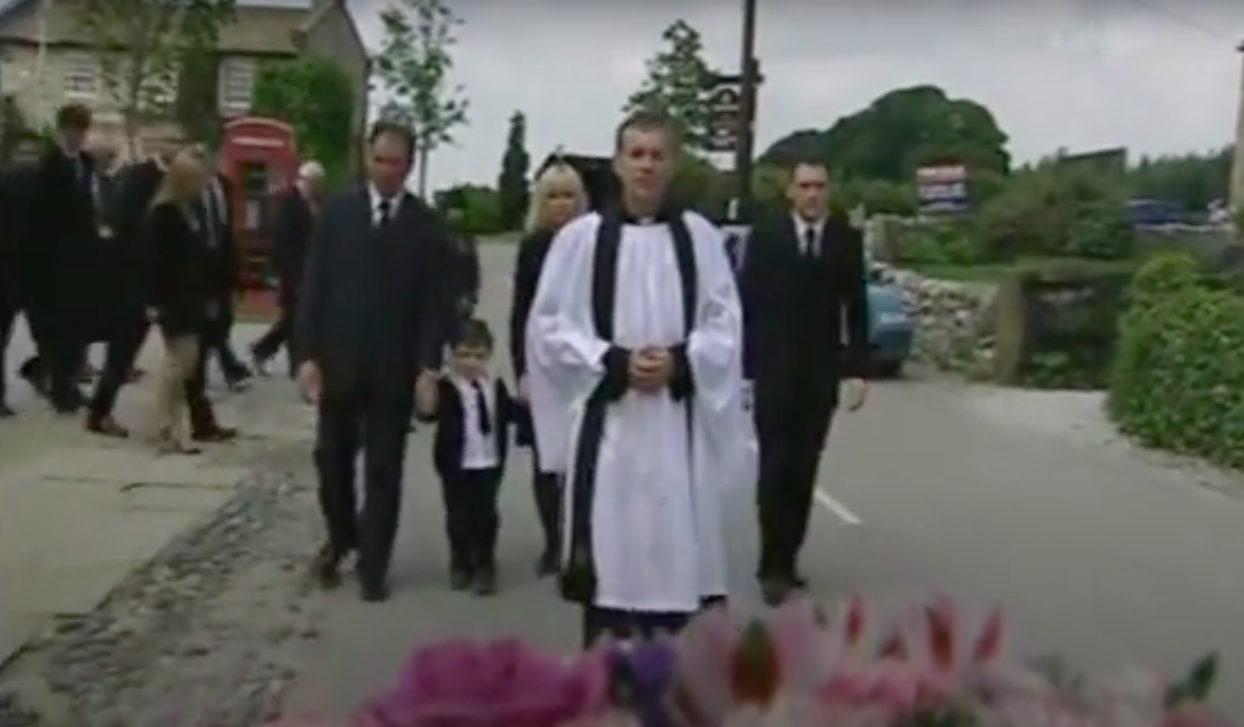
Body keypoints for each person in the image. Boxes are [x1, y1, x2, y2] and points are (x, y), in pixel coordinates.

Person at [525, 110, 750, 647]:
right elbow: (548, 325)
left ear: (672, 164)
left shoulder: (699, 239)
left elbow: (726, 322)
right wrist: (610, 361)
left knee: (676, 558)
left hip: (677, 429)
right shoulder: (580, 241)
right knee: (611, 559)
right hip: (612, 428)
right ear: (619, 163)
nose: (646, 165)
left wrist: (682, 359)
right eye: (636, 154)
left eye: (657, 154)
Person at [297, 120, 455, 602]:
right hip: (339, 362)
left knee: (384, 470)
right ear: (368, 159)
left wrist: (429, 367)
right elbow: (314, 287)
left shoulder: (424, 227)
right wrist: (306, 356)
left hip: (394, 368)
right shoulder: (338, 213)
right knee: (331, 461)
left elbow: (435, 303)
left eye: (397, 163)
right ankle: (342, 534)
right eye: (380, 160)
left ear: (410, 166)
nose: (388, 171)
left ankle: (373, 562)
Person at [739, 157, 870, 606]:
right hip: (774, 372)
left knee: (804, 470)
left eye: (820, 186)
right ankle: (770, 563)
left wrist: (855, 368)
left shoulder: (844, 240)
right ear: (791, 192)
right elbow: (746, 303)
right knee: (774, 468)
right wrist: (743, 370)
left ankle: (790, 558)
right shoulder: (767, 236)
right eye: (805, 186)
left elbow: (856, 305)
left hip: (819, 374)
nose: (813, 194)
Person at [508, 160, 587, 576]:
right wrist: (521, 368)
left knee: (582, 456)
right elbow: (521, 312)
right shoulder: (533, 247)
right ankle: (553, 541)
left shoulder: (592, 243)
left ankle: (581, 539)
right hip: (542, 365)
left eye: (568, 195)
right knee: (545, 458)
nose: (561, 204)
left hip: (583, 364)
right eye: (553, 196)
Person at [431, 318, 514, 596]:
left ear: (488, 355)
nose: (471, 363)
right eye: (464, 355)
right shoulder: (446, 389)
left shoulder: (494, 387)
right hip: (457, 462)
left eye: (478, 356)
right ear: (452, 354)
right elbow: (428, 414)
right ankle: (460, 561)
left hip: (489, 460)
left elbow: (509, 414)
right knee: (458, 515)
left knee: (486, 514)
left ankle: (485, 563)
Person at [26, 104, 98, 413]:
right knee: (59, 328)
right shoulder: (49, 164)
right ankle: (61, 389)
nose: (78, 138)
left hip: (81, 257)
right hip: (55, 258)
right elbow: (43, 214)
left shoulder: (86, 163)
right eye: (73, 131)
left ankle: (55, 377)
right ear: (62, 130)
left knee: (76, 328)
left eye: (82, 132)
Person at [146, 150, 217, 455]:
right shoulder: (164, 214)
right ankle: (169, 428)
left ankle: (172, 428)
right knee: (178, 366)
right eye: (197, 179)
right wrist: (154, 301)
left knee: (183, 366)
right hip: (173, 299)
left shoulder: (191, 210)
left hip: (191, 297)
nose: (202, 185)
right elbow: (155, 262)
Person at [252, 160, 324, 377]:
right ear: (308, 181)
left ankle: (264, 351)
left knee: (292, 319)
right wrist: (289, 273)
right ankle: (286, 360)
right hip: (294, 272)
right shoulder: (292, 204)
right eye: (317, 182)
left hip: (304, 270)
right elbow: (283, 242)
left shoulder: (309, 203)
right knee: (294, 319)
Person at [196, 148, 251, 391]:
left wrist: (236, 272)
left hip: (222, 264)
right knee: (211, 321)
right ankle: (231, 369)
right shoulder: (194, 191)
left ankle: (221, 367)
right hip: (202, 265)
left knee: (221, 320)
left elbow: (229, 230)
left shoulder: (224, 187)